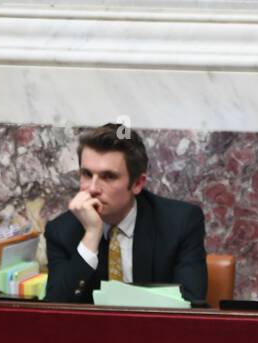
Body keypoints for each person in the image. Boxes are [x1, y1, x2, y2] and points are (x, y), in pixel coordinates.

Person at [44, 123, 207, 305]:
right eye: (87, 174)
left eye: (108, 177)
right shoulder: (61, 231)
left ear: (137, 183)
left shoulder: (180, 223)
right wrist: (91, 236)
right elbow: (53, 313)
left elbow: (191, 305)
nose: (92, 188)